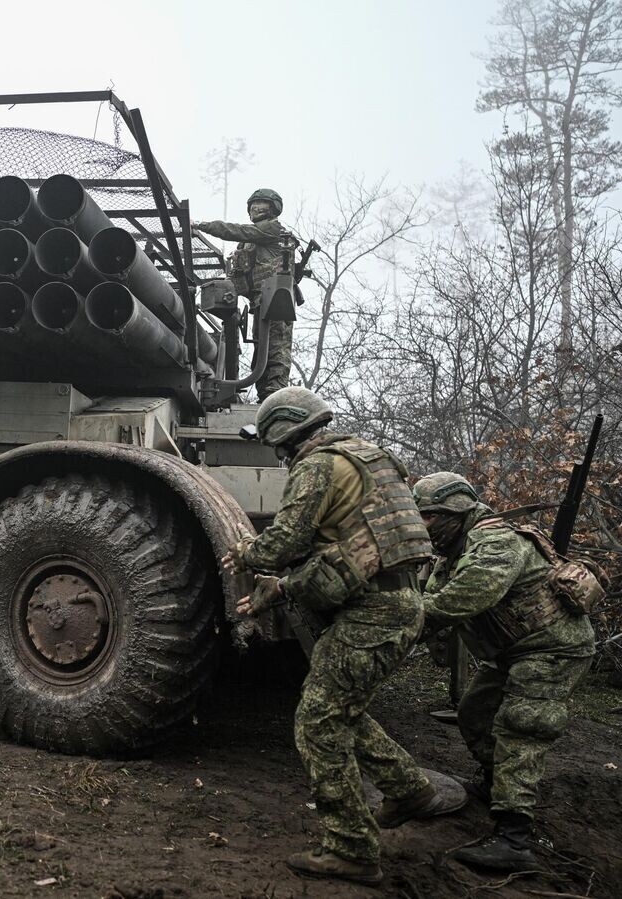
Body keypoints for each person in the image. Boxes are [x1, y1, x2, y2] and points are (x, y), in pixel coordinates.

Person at [223, 387, 464, 885]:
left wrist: (246, 552)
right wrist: (288, 585)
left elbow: (284, 542)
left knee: (317, 722)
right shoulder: (371, 457)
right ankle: (409, 790)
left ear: (281, 436)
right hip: (400, 603)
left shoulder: (316, 466)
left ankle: (351, 847)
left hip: (372, 611)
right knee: (341, 707)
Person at [412, 472, 597, 871]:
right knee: (474, 712)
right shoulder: (454, 548)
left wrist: (399, 621)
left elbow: (463, 599)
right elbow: (432, 601)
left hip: (553, 649)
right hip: (514, 651)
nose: (422, 524)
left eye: (428, 515)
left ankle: (514, 838)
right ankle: (496, 785)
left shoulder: (497, 542)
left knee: (520, 727)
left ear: (455, 511)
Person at [194, 188, 292, 399]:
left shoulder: (271, 230)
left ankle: (275, 395)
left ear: (273, 209)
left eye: (262, 204)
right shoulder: (249, 243)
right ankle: (266, 395)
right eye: (253, 205)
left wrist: (202, 226)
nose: (256, 208)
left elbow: (237, 230)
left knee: (275, 351)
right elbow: (240, 274)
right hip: (259, 302)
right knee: (260, 354)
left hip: (275, 301)